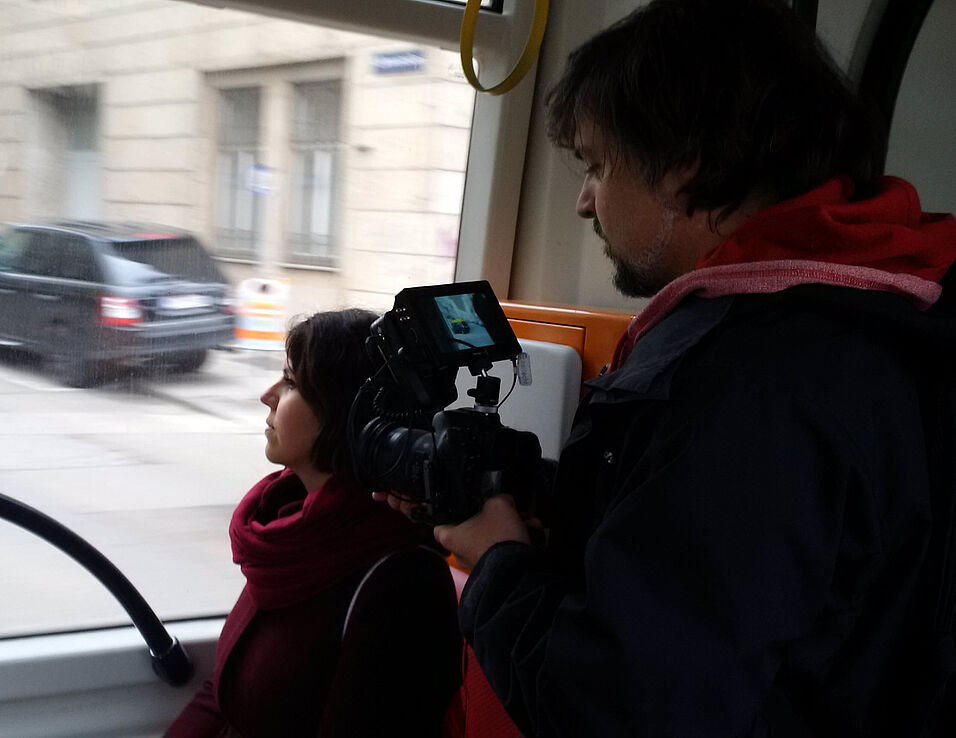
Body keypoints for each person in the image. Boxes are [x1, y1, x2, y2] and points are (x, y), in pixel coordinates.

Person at [380, 0, 956, 735]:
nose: (585, 201)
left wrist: (497, 563)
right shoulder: (880, 313)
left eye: (597, 163)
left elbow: (621, 707)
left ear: (686, 166)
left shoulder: (755, 382)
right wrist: (545, 503)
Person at [167, 309, 461, 738]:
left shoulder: (402, 583)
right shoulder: (293, 528)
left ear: (344, 413)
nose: (267, 395)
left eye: (291, 383)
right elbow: (224, 692)